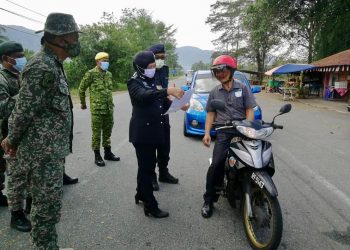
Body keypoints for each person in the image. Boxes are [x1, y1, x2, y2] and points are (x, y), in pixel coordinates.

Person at [1, 12, 80, 249]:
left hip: (49, 152)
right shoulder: (42, 67)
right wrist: (11, 141)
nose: (77, 41)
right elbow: (22, 112)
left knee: (48, 207)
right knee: (45, 210)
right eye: (74, 36)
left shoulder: (53, 64)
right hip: (40, 154)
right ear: (60, 39)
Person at [128, 51, 184, 218]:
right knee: (147, 170)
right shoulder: (134, 83)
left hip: (153, 132)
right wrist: (168, 90)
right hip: (142, 134)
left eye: (154, 66)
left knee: (146, 167)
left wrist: (181, 104)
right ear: (140, 68)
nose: (153, 69)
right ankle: (150, 206)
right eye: (150, 67)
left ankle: (140, 193)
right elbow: (145, 96)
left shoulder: (152, 82)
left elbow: (162, 101)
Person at [201, 55, 257, 218]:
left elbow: (249, 109)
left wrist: (248, 126)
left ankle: (252, 189)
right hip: (224, 131)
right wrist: (206, 134)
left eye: (222, 70)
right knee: (216, 164)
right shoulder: (214, 92)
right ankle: (209, 200)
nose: (220, 74)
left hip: (242, 129)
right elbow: (211, 114)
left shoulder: (243, 88)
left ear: (231, 70)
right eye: (216, 71)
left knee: (253, 159)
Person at [0, 41, 32, 232]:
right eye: (18, 56)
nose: (22, 59)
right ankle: (16, 215)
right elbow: (3, 108)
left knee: (27, 172)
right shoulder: (2, 79)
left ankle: (28, 203)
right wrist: (27, 94)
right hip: (9, 134)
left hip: (24, 132)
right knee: (16, 176)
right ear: (6, 59)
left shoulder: (18, 74)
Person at [79, 52, 120, 167]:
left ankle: (108, 152)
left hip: (108, 108)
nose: (106, 62)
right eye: (103, 60)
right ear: (97, 62)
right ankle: (97, 156)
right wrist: (83, 103)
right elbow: (81, 89)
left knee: (108, 131)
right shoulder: (91, 74)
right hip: (97, 110)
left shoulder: (109, 74)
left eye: (107, 60)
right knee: (97, 133)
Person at [148, 44, 178, 190]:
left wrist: (177, 104)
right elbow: (151, 94)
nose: (160, 60)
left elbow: (164, 94)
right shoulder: (147, 72)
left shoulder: (165, 70)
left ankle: (163, 173)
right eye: (157, 57)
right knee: (152, 146)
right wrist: (167, 92)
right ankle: (152, 176)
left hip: (163, 114)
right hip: (151, 115)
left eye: (162, 57)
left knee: (165, 146)